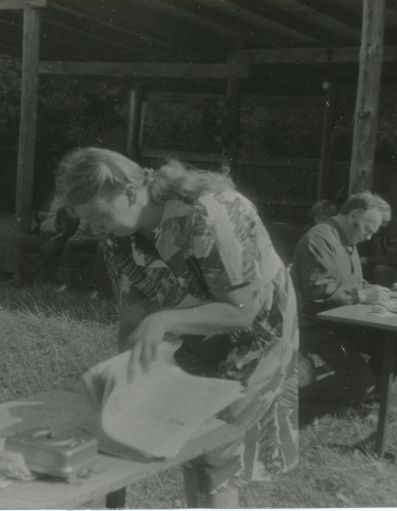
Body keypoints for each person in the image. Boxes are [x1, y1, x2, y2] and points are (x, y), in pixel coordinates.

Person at [57, 147, 298, 508]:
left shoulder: (210, 212)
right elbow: (133, 320)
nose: (90, 228)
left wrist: (166, 319)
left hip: (258, 333)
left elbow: (242, 310)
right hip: (200, 327)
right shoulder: (117, 240)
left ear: (129, 193)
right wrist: (124, 380)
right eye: (84, 220)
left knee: (214, 446)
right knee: (192, 441)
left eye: (96, 215)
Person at [291, 192, 397, 424]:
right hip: (314, 326)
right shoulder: (320, 238)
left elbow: (351, 282)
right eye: (368, 229)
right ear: (355, 215)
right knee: (360, 380)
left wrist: (376, 290)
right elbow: (319, 291)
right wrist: (363, 295)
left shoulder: (346, 240)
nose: (368, 237)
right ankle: (290, 411)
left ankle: (361, 405)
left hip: (339, 320)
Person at [1, 194, 80, 285]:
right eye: (57, 180)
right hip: (41, 234)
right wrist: (40, 216)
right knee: (17, 243)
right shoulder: (50, 197)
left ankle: (45, 280)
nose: (60, 182)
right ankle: (15, 277)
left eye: (63, 180)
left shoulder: (75, 199)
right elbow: (38, 217)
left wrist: (59, 232)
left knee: (46, 248)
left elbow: (73, 226)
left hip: (60, 237)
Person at [357, 202, 397, 287]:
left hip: (395, 268)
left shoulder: (395, 228)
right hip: (375, 263)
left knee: (380, 270)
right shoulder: (370, 226)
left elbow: (392, 260)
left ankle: (382, 296)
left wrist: (366, 260)